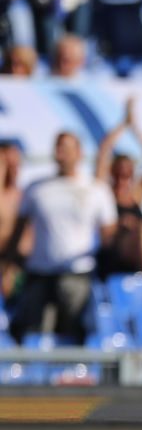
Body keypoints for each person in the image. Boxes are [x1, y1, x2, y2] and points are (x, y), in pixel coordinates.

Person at [9, 131, 116, 343]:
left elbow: (109, 237)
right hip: (39, 274)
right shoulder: (36, 188)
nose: (61, 152)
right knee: (33, 335)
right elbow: (18, 231)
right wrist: (10, 265)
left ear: (79, 153)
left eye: (67, 147)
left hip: (77, 276)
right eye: (58, 147)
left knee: (72, 336)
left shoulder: (96, 190)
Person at [94, 98, 142, 282]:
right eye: (119, 173)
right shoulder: (105, 193)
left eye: (128, 173)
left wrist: (136, 129)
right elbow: (104, 151)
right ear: (112, 172)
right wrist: (123, 124)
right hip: (115, 250)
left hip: (139, 247)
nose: (123, 178)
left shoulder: (136, 194)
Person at [0, 140, 24, 299]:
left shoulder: (23, 197)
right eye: (8, 163)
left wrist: (10, 268)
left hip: (15, 268)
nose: (14, 168)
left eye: (17, 163)